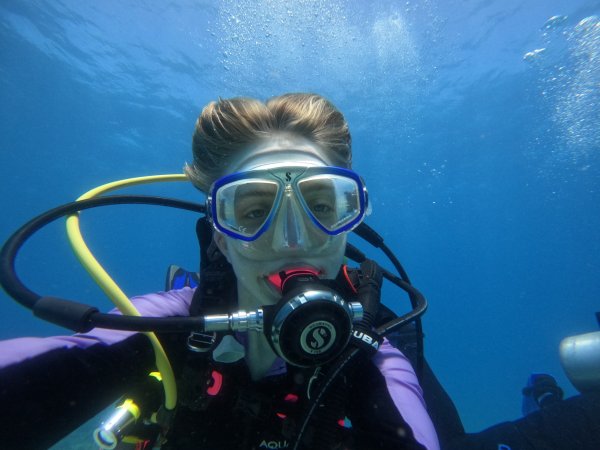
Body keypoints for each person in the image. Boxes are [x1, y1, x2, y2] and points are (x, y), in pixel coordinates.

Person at [0, 93, 440, 450]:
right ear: (221, 237)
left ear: (350, 222)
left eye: (322, 206)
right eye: (253, 211)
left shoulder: (368, 351)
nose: (292, 240)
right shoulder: (163, 327)